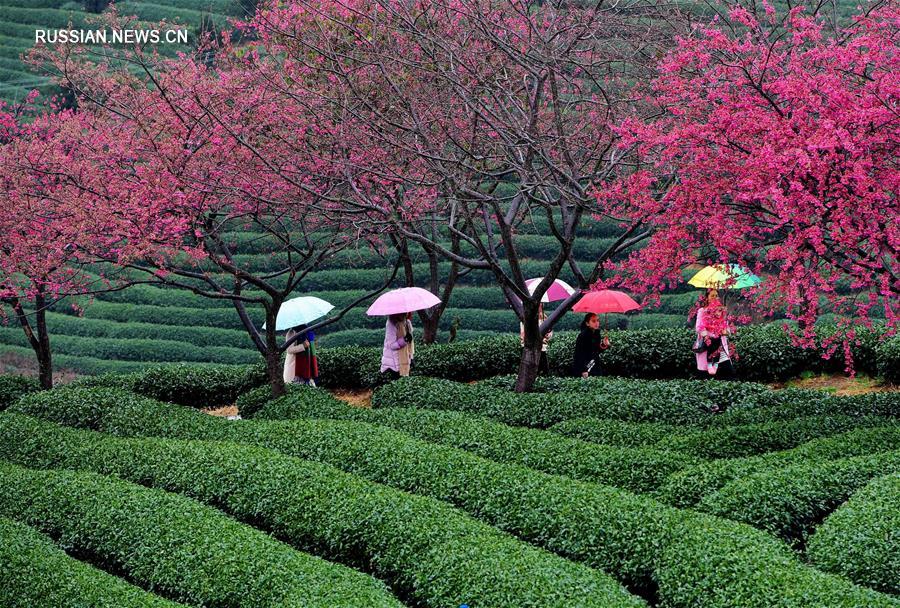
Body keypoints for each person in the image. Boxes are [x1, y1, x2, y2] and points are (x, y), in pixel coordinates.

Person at [693, 289, 734, 377]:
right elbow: (698, 328)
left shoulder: (721, 311)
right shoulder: (702, 310)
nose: (715, 298)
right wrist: (711, 335)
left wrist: (724, 331)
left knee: (728, 372)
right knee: (706, 374)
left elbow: (727, 328)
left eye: (716, 295)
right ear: (707, 298)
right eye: (712, 296)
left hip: (721, 346)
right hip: (708, 345)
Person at [571, 313, 610, 378]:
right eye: (593, 321)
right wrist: (584, 370)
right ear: (587, 323)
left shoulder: (597, 334)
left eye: (598, 320)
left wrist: (604, 344)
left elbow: (597, 350)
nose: (597, 323)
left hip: (595, 364)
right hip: (585, 366)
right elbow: (579, 354)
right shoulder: (583, 336)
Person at [520, 304, 553, 375]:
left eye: (540, 305)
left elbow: (549, 332)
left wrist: (548, 335)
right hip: (530, 349)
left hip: (542, 348)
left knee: (544, 370)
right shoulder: (526, 318)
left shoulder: (544, 317)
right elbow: (524, 335)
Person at [381, 312, 415, 379]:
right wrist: (404, 340)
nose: (405, 314)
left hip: (405, 360)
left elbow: (410, 345)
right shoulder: (391, 323)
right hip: (392, 364)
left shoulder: (407, 323)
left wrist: (411, 358)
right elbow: (392, 345)